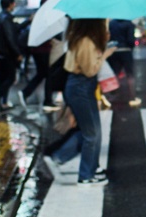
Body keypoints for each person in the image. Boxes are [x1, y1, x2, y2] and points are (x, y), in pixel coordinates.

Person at [45, 18, 117, 186]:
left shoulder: (81, 38)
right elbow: (90, 70)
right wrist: (105, 53)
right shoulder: (85, 41)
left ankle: (91, 169)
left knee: (93, 131)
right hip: (80, 88)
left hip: (81, 88)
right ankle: (82, 172)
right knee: (91, 133)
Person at [0, 0, 23, 110]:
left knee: (3, 79)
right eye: (14, 4)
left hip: (0, 53)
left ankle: (2, 102)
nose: (14, 5)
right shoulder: (6, 18)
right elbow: (10, 38)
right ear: (10, 4)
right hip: (6, 54)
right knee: (10, 78)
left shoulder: (1, 17)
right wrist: (17, 53)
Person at [107, 19, 141, 107]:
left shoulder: (111, 23)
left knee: (116, 73)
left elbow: (109, 38)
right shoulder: (129, 24)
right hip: (126, 51)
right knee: (130, 74)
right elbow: (131, 40)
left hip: (114, 51)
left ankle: (114, 94)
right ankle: (132, 96)